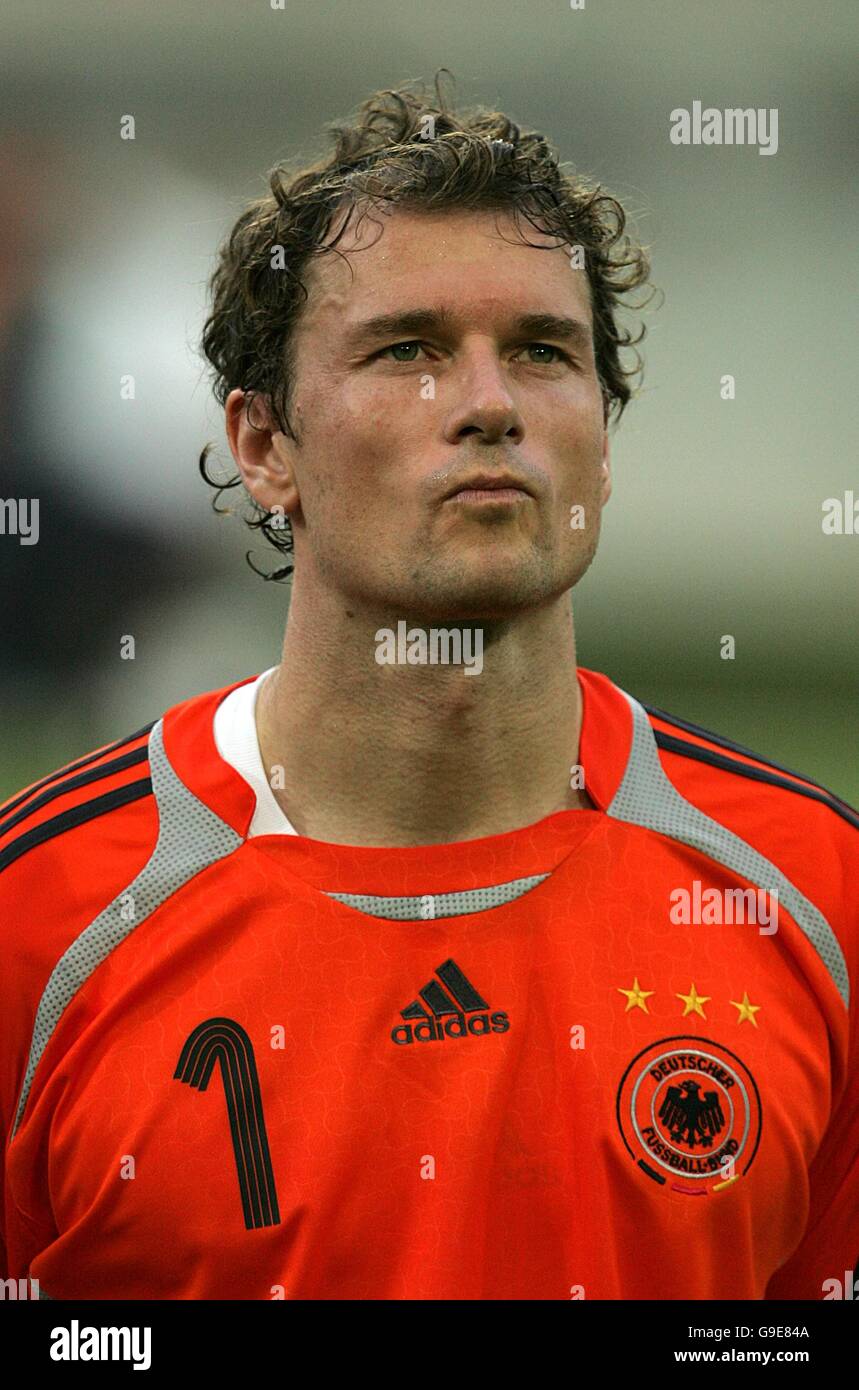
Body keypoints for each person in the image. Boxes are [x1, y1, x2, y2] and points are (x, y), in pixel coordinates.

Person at [1, 74, 856, 1301]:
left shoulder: (810, 896)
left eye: (542, 352)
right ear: (263, 445)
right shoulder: (38, 925)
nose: (490, 404)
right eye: (407, 350)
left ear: (601, 443)